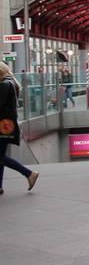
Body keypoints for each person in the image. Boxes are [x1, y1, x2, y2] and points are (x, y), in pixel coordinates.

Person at [0, 61, 38, 194]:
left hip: (3, 125)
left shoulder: (4, 84)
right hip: (7, 125)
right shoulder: (11, 82)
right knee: (1, 155)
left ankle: (29, 173)